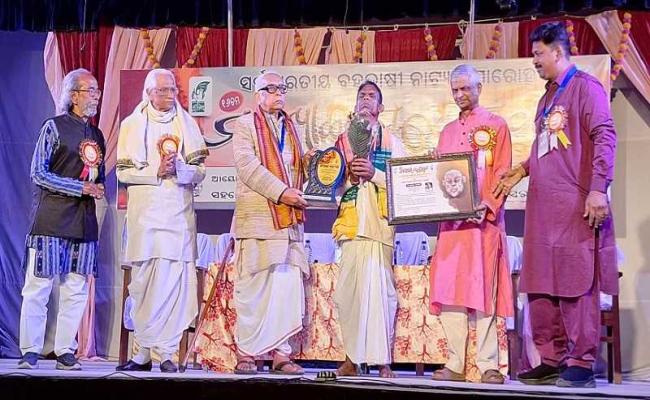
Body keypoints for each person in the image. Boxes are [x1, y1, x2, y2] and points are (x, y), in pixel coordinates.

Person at [493, 22, 617, 388]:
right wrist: (523, 169)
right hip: (543, 212)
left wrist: (598, 189)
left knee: (575, 283)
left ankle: (580, 360)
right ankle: (551, 359)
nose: (534, 60)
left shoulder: (586, 89)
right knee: (542, 283)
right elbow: (549, 147)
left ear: (558, 52)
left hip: (574, 207)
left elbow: (604, 137)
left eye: (538, 53)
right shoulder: (547, 97)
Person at [116, 68, 208, 373]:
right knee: (143, 285)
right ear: (149, 93)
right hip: (145, 219)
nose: (170, 95)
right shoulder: (132, 125)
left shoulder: (187, 124)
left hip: (177, 217)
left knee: (173, 284)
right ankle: (142, 355)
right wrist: (155, 172)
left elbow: (200, 171)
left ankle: (167, 353)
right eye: (163, 90)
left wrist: (180, 169)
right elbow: (123, 172)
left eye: (172, 90)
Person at [429, 64, 514, 384]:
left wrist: (488, 205)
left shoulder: (496, 126)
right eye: (455, 89)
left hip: (484, 227)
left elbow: (504, 171)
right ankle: (455, 363)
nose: (460, 95)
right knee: (450, 293)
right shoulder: (447, 131)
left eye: (465, 88)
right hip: (452, 229)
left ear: (479, 87)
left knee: (485, 294)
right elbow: (439, 178)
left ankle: (489, 364)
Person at [17, 68, 106, 370]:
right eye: (90, 90)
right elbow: (38, 173)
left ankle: (65, 350)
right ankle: (30, 350)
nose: (96, 95)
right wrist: (79, 187)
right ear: (73, 95)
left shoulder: (96, 134)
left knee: (76, 288)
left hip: (83, 223)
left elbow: (97, 176)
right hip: (51, 220)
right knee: (39, 286)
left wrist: (95, 186)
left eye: (97, 90)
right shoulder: (52, 128)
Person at [230, 71, 309, 375]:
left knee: (285, 287)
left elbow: (298, 165)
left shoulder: (292, 127)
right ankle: (248, 353)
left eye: (282, 89)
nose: (279, 94)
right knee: (254, 287)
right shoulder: (245, 124)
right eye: (272, 89)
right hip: (257, 219)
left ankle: (281, 354)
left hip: (288, 224)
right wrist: (282, 192)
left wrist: (314, 164)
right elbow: (248, 167)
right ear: (259, 94)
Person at [331, 81, 407, 378]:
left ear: (380, 107)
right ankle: (352, 357)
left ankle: (382, 360)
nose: (365, 100)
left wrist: (373, 174)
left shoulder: (393, 142)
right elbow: (332, 188)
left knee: (380, 294)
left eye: (371, 96)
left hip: (380, 225)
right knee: (348, 294)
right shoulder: (342, 142)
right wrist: (347, 179)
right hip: (351, 226)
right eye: (361, 95)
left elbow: (403, 184)